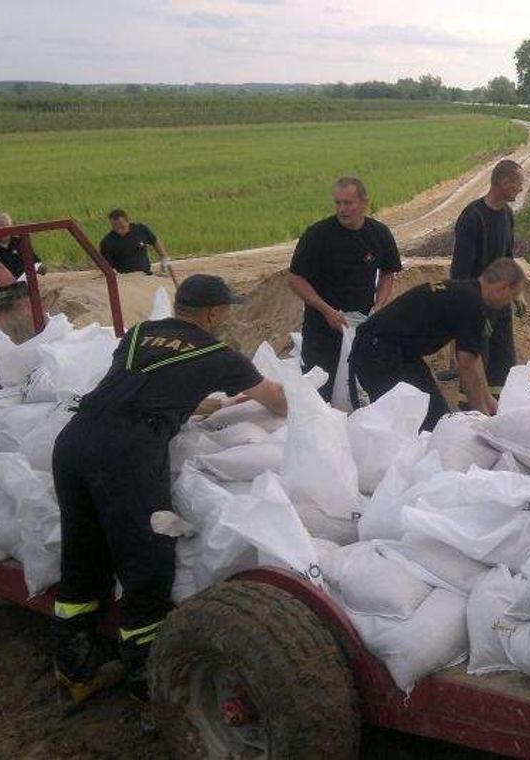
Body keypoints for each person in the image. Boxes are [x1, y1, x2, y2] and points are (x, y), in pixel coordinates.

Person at [51, 274, 287, 707]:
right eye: (225, 311)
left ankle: (75, 669)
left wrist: (191, 403)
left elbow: (137, 385)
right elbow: (274, 397)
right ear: (213, 314)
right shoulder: (218, 354)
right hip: (126, 454)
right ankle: (149, 687)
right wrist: (309, 407)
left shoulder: (140, 334)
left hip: (73, 442)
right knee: (147, 564)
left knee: (83, 556)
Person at [350, 257, 526, 432]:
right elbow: (466, 366)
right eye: (512, 296)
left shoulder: (467, 294)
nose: (507, 304)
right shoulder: (472, 304)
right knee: (407, 421)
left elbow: (474, 357)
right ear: (503, 287)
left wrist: (488, 400)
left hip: (401, 353)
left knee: (437, 419)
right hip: (377, 352)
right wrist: (482, 418)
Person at [288, 177, 401, 401]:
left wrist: (379, 306)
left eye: (348, 203)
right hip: (322, 328)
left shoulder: (379, 234)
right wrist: (327, 311)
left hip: (360, 327)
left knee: (362, 392)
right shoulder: (318, 235)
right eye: (337, 203)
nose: (342, 209)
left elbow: (388, 272)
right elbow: (295, 279)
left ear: (364, 203)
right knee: (319, 394)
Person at [451, 159, 525, 401]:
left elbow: (508, 257)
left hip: (501, 305)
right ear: (504, 182)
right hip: (477, 305)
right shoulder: (473, 218)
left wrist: (517, 292)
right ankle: (472, 414)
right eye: (518, 184)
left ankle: (499, 412)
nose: (521, 189)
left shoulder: (506, 215)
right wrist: (468, 311)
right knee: (475, 364)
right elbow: (460, 272)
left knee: (503, 364)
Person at [0, 211, 45, 278]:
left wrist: (40, 268)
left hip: (25, 284)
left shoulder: (20, 243)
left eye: (4, 227)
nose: (1, 230)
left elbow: (36, 263)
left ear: (10, 227)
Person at [99, 209, 170, 275]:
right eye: (116, 228)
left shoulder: (141, 230)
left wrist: (164, 257)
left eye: (122, 227)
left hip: (146, 274)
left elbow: (154, 241)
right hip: (124, 278)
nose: (119, 231)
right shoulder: (107, 243)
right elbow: (107, 265)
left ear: (127, 221)